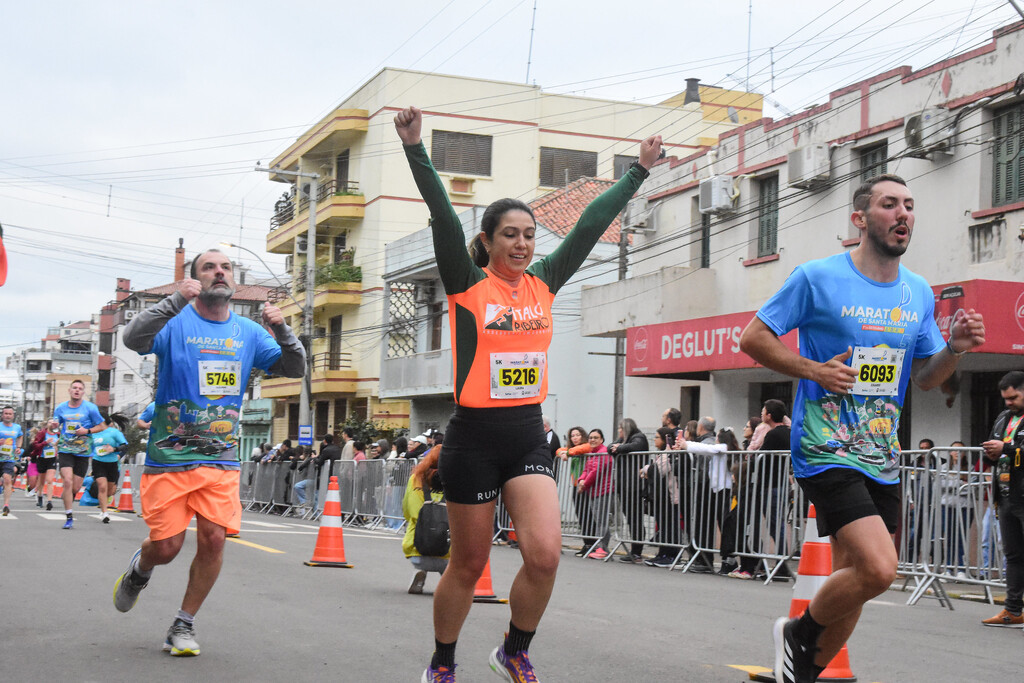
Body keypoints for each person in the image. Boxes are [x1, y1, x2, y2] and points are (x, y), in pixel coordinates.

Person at [396, 104, 660, 683]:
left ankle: (514, 650)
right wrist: (417, 149)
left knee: (544, 554)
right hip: (473, 438)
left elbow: (590, 225)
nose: (520, 244)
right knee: (466, 564)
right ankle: (442, 662)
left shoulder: (543, 282)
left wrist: (637, 173)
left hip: (526, 432)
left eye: (528, 236)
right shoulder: (468, 286)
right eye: (509, 235)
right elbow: (442, 216)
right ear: (487, 242)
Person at [739, 173, 986, 683]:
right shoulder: (817, 277)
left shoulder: (918, 291)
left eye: (910, 205)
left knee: (855, 576)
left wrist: (955, 349)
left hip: (881, 453)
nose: (903, 214)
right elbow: (752, 337)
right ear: (860, 219)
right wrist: (814, 369)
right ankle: (797, 634)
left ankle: (802, 671)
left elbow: (923, 376)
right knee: (879, 568)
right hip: (825, 446)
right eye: (890, 204)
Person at [112, 248, 305, 656]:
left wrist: (283, 330)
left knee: (214, 540)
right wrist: (175, 299)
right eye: (209, 267)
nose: (220, 272)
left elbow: (295, 368)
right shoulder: (175, 321)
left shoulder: (249, 333)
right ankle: (140, 568)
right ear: (195, 279)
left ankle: (183, 623)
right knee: (166, 548)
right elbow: (132, 338)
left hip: (220, 460)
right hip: (170, 458)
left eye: (226, 267)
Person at [981, 370, 1024, 628]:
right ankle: (1013, 609)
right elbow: (993, 452)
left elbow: (1009, 448)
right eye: (1005, 398)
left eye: (1014, 397)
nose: (1008, 402)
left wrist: (1006, 449)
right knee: (1013, 555)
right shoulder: (1004, 417)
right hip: (1007, 496)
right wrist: (991, 454)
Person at [675, 416, 730, 573]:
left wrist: (686, 445)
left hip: (706, 488)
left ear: (700, 427)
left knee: (703, 524)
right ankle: (702, 558)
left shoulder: (708, 444)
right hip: (707, 487)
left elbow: (703, 463)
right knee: (701, 523)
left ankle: (705, 559)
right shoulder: (708, 442)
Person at [54, 380, 106, 529]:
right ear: (70, 390)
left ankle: (69, 496)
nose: (77, 390)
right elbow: (56, 424)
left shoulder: (90, 408)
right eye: (75, 388)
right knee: (68, 481)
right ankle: (69, 516)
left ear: (83, 392)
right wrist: (53, 425)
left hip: (83, 452)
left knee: (75, 488)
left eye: (80, 389)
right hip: (65, 449)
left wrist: (87, 431)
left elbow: (101, 426)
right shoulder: (60, 408)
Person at [403, 446, 450, 594]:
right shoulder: (457, 480)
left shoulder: (415, 479)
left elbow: (407, 509)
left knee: (417, 531)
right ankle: (448, 580)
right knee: (451, 566)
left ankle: (421, 571)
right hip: (448, 552)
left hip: (417, 549)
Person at [609, 417, 651, 564]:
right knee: (631, 518)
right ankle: (634, 551)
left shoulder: (638, 437)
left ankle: (637, 551)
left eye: (620, 429)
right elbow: (610, 447)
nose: (619, 431)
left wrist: (619, 448)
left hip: (635, 485)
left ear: (626, 428)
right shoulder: (624, 440)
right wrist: (617, 446)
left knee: (635, 518)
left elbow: (635, 446)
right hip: (624, 485)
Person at [641, 426, 684, 567]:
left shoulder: (670, 453)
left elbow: (659, 469)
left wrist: (646, 469)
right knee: (663, 526)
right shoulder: (663, 453)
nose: (654, 440)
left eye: (657, 437)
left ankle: (672, 555)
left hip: (671, 496)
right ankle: (662, 553)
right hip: (661, 495)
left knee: (670, 526)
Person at [554, 426, 592, 555]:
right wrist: (562, 453)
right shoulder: (571, 449)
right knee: (581, 515)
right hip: (576, 485)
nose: (575, 438)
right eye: (572, 436)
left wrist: (568, 453)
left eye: (577, 435)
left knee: (588, 515)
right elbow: (559, 450)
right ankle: (586, 543)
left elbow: (584, 448)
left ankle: (591, 543)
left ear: (583, 435)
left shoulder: (587, 446)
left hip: (587, 485)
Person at [577, 429, 613, 560]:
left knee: (601, 521)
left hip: (603, 490)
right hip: (594, 491)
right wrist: (581, 479)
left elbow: (595, 471)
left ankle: (602, 548)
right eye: (591, 437)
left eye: (596, 438)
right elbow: (587, 469)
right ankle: (601, 548)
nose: (592, 440)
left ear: (602, 440)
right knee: (599, 520)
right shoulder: (593, 453)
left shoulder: (603, 453)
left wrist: (584, 484)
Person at [91, 413, 130, 523]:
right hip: (98, 462)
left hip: (112, 463)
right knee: (102, 487)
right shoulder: (93, 433)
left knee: (110, 491)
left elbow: (125, 446)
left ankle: (103, 503)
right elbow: (87, 447)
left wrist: (114, 449)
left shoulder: (114, 432)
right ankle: (104, 513)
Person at [31, 419, 59, 509]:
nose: (52, 424)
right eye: (50, 422)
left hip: (52, 459)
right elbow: (35, 445)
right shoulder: (42, 433)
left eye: (53, 422)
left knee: (50, 480)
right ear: (47, 424)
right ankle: (39, 496)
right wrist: (45, 442)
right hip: (42, 459)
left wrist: (57, 446)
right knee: (41, 481)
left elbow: (61, 445)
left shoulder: (58, 434)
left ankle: (49, 501)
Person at [0, 406, 23, 516]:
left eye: (10, 414)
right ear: (2, 415)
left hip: (9, 458)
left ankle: (6, 505)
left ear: (13, 416)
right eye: (6, 413)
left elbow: (20, 436)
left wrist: (18, 447)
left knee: (7, 479)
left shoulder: (17, 427)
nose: (8, 415)